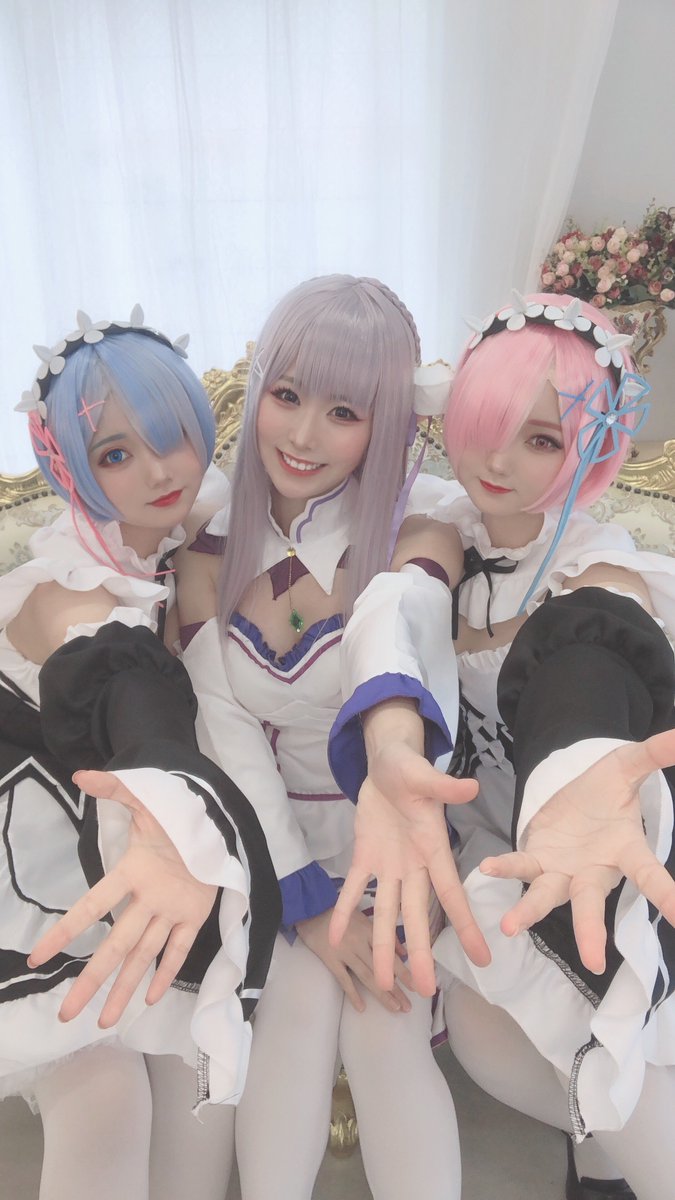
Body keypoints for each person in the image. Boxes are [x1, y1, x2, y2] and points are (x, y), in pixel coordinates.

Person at [328, 292, 675, 1199]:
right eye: (486, 425)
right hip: (489, 850)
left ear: (591, 449)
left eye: (542, 440)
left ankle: (607, 1164)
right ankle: (595, 1158)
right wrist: (391, 745)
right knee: (488, 1038)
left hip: (597, 835)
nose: (498, 461)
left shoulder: (601, 568)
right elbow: (399, 608)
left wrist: (575, 769)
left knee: (612, 1038)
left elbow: (592, 656)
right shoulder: (442, 530)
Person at [176, 274, 482, 1200]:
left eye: (343, 412)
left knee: (386, 1025)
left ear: (387, 422)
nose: (303, 436)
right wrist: (302, 898)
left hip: (398, 826)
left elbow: (400, 621)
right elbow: (224, 729)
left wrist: (388, 759)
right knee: (295, 1016)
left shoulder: (421, 525)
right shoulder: (207, 544)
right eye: (287, 396)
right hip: (267, 842)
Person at [0, 308, 280, 1200]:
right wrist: (170, 804)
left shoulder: (189, 518)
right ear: (69, 467)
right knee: (104, 1091)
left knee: (196, 1051)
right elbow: (127, 689)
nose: (159, 471)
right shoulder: (66, 594)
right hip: (35, 855)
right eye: (116, 454)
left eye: (174, 438)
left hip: (136, 838)